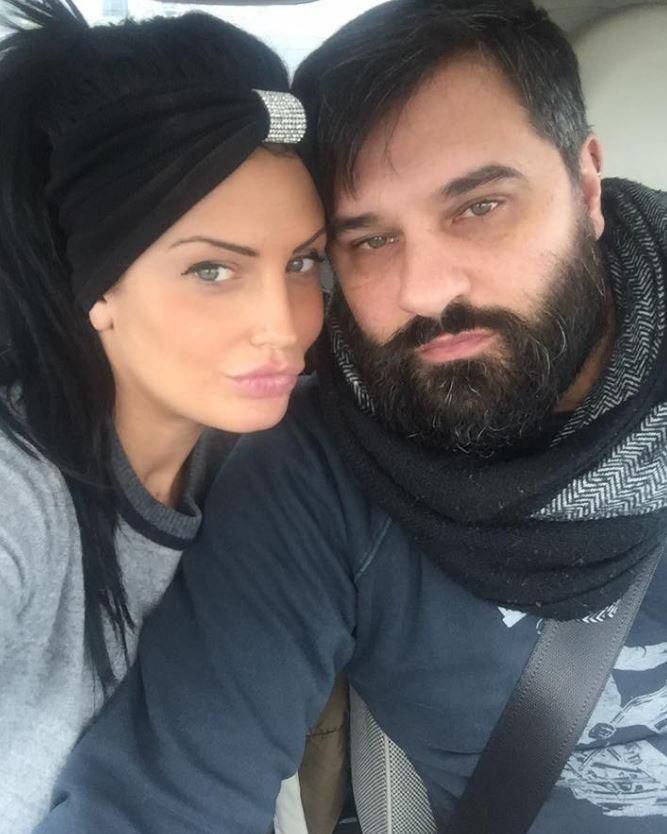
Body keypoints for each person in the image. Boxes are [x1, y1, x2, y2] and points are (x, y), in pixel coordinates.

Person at [33, 0, 667, 832]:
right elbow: (164, 801)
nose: (425, 291)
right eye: (368, 240)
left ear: (584, 185)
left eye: (479, 206)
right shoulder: (313, 476)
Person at [0, 1, 340, 831]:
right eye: (213, 271)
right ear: (95, 283)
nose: (283, 325)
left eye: (303, 262)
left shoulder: (268, 456)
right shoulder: (19, 494)